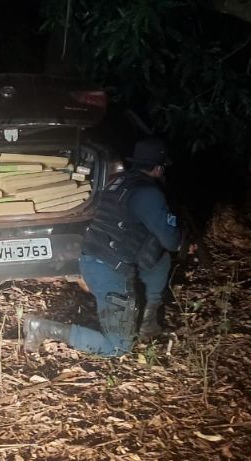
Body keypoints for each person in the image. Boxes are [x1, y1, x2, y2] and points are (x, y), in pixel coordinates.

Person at [23, 137, 183, 356]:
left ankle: (147, 322)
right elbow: (171, 241)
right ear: (158, 168)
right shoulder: (149, 193)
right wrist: (181, 236)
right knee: (117, 347)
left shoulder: (117, 183)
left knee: (159, 259)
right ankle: (42, 328)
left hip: (93, 258)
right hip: (109, 271)